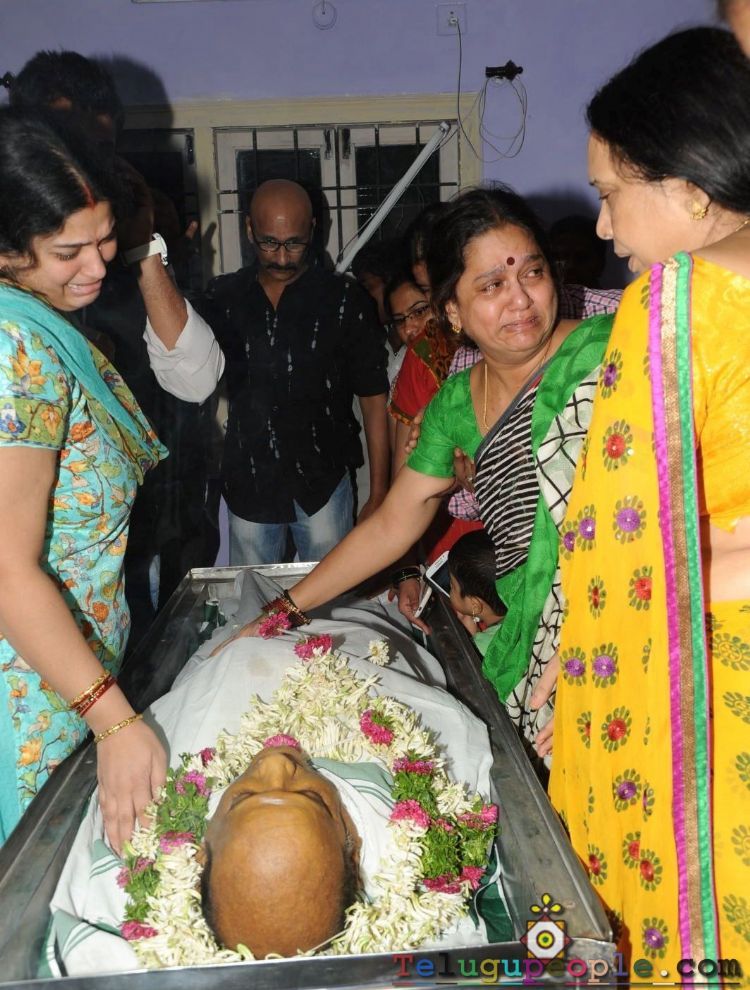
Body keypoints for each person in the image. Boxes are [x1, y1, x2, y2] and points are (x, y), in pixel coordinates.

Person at [221, 186, 615, 759]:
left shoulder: (611, 354)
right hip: (532, 634)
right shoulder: (455, 403)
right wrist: (283, 611)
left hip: (619, 628)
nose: (520, 299)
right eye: (492, 285)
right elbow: (393, 524)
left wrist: (597, 636)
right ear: (452, 310)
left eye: (532, 273)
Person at [534, 26, 750, 970]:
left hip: (709, 687)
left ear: (690, 190)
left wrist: (575, 672)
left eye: (610, 194)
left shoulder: (673, 307)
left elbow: (619, 551)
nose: (602, 228)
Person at [48, 578, 497, 972]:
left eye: (243, 797)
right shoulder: (417, 804)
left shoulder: (164, 777)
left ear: (199, 850)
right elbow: (452, 723)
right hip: (359, 641)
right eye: (312, 798)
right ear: (353, 840)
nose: (276, 763)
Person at [0, 108, 169, 849]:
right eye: (68, 251)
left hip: (67, 676)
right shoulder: (14, 347)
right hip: (30, 690)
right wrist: (115, 720)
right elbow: (7, 568)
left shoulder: (40, 320)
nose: (98, 267)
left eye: (104, 239)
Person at [8, 49, 220, 638]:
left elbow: (196, 378)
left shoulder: (127, 216)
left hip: (148, 504)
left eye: (98, 149)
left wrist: (141, 246)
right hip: (49, 577)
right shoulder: (13, 334)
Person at [147, 179, 390, 565]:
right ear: (249, 229)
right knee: (252, 596)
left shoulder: (344, 300)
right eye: (269, 243)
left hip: (324, 481)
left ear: (313, 229)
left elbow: (374, 399)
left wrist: (379, 493)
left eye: (294, 243)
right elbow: (184, 364)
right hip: (249, 482)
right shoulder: (223, 297)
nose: (281, 257)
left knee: (330, 593)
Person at [447, 531, 506, 653]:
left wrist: (473, 637)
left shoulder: (483, 648)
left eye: (452, 586)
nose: (450, 587)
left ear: (475, 605)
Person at [548, 214, 607, 288]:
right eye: (560, 257)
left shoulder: (618, 295)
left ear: (600, 263)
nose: (570, 266)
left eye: (582, 258)